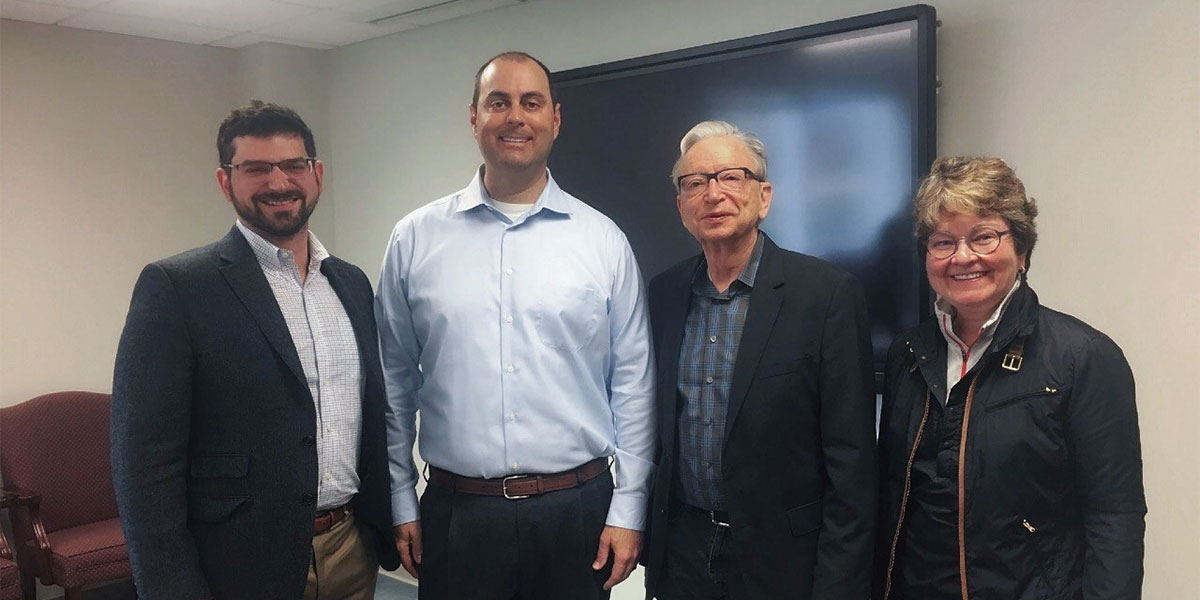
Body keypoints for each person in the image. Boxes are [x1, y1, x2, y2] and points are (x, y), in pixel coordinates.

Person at [374, 52, 656, 599]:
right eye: (497, 102)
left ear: (556, 118)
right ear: (473, 117)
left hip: (578, 513)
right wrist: (400, 496)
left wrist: (631, 505)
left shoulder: (602, 241)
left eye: (531, 102)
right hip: (458, 517)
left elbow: (634, 385)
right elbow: (393, 384)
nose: (515, 117)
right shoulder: (414, 240)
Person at [111, 101, 399, 600]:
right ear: (226, 182)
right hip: (239, 560)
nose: (278, 182)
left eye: (293, 165)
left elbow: (375, 414)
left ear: (318, 174)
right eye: (255, 168)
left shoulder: (351, 284)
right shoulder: (178, 288)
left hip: (352, 548)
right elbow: (144, 465)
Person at [874, 157, 1146, 600]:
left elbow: (1115, 517)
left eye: (983, 237)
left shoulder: (1084, 358)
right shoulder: (908, 352)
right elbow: (894, 503)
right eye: (943, 242)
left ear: (1021, 250)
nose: (963, 257)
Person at [642, 120, 877, 599]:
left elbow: (852, 465)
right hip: (684, 555)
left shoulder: (827, 294)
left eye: (731, 177)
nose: (713, 193)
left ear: (764, 196)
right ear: (681, 205)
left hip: (785, 562)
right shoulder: (664, 293)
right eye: (695, 183)